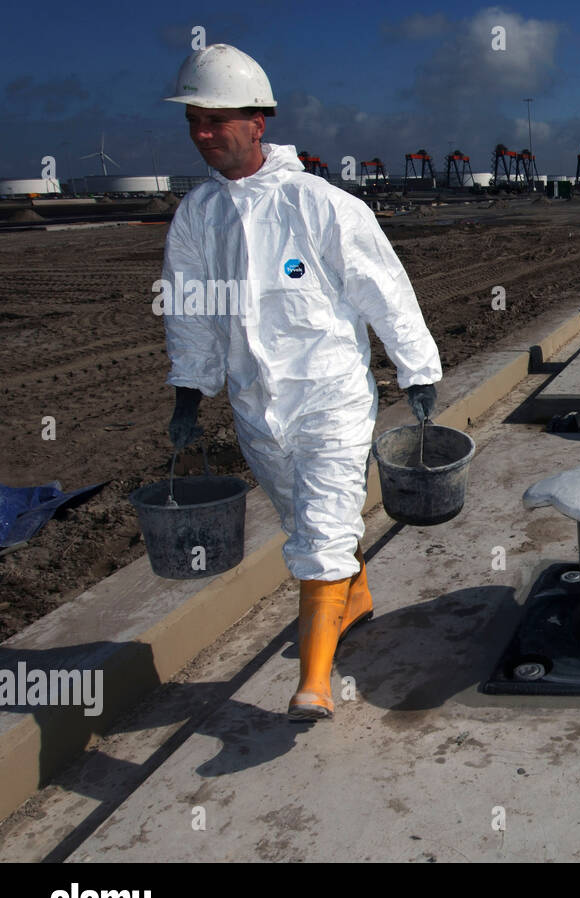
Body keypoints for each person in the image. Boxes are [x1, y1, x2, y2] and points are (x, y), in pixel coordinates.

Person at [160, 43, 441, 720]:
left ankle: (313, 683)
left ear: (258, 122)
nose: (202, 134)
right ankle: (357, 600)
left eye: (215, 121)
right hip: (257, 408)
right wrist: (188, 394)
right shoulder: (198, 216)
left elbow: (386, 291)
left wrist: (418, 369)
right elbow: (189, 310)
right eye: (193, 121)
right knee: (306, 520)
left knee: (321, 528)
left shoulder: (319, 205)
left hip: (330, 399)